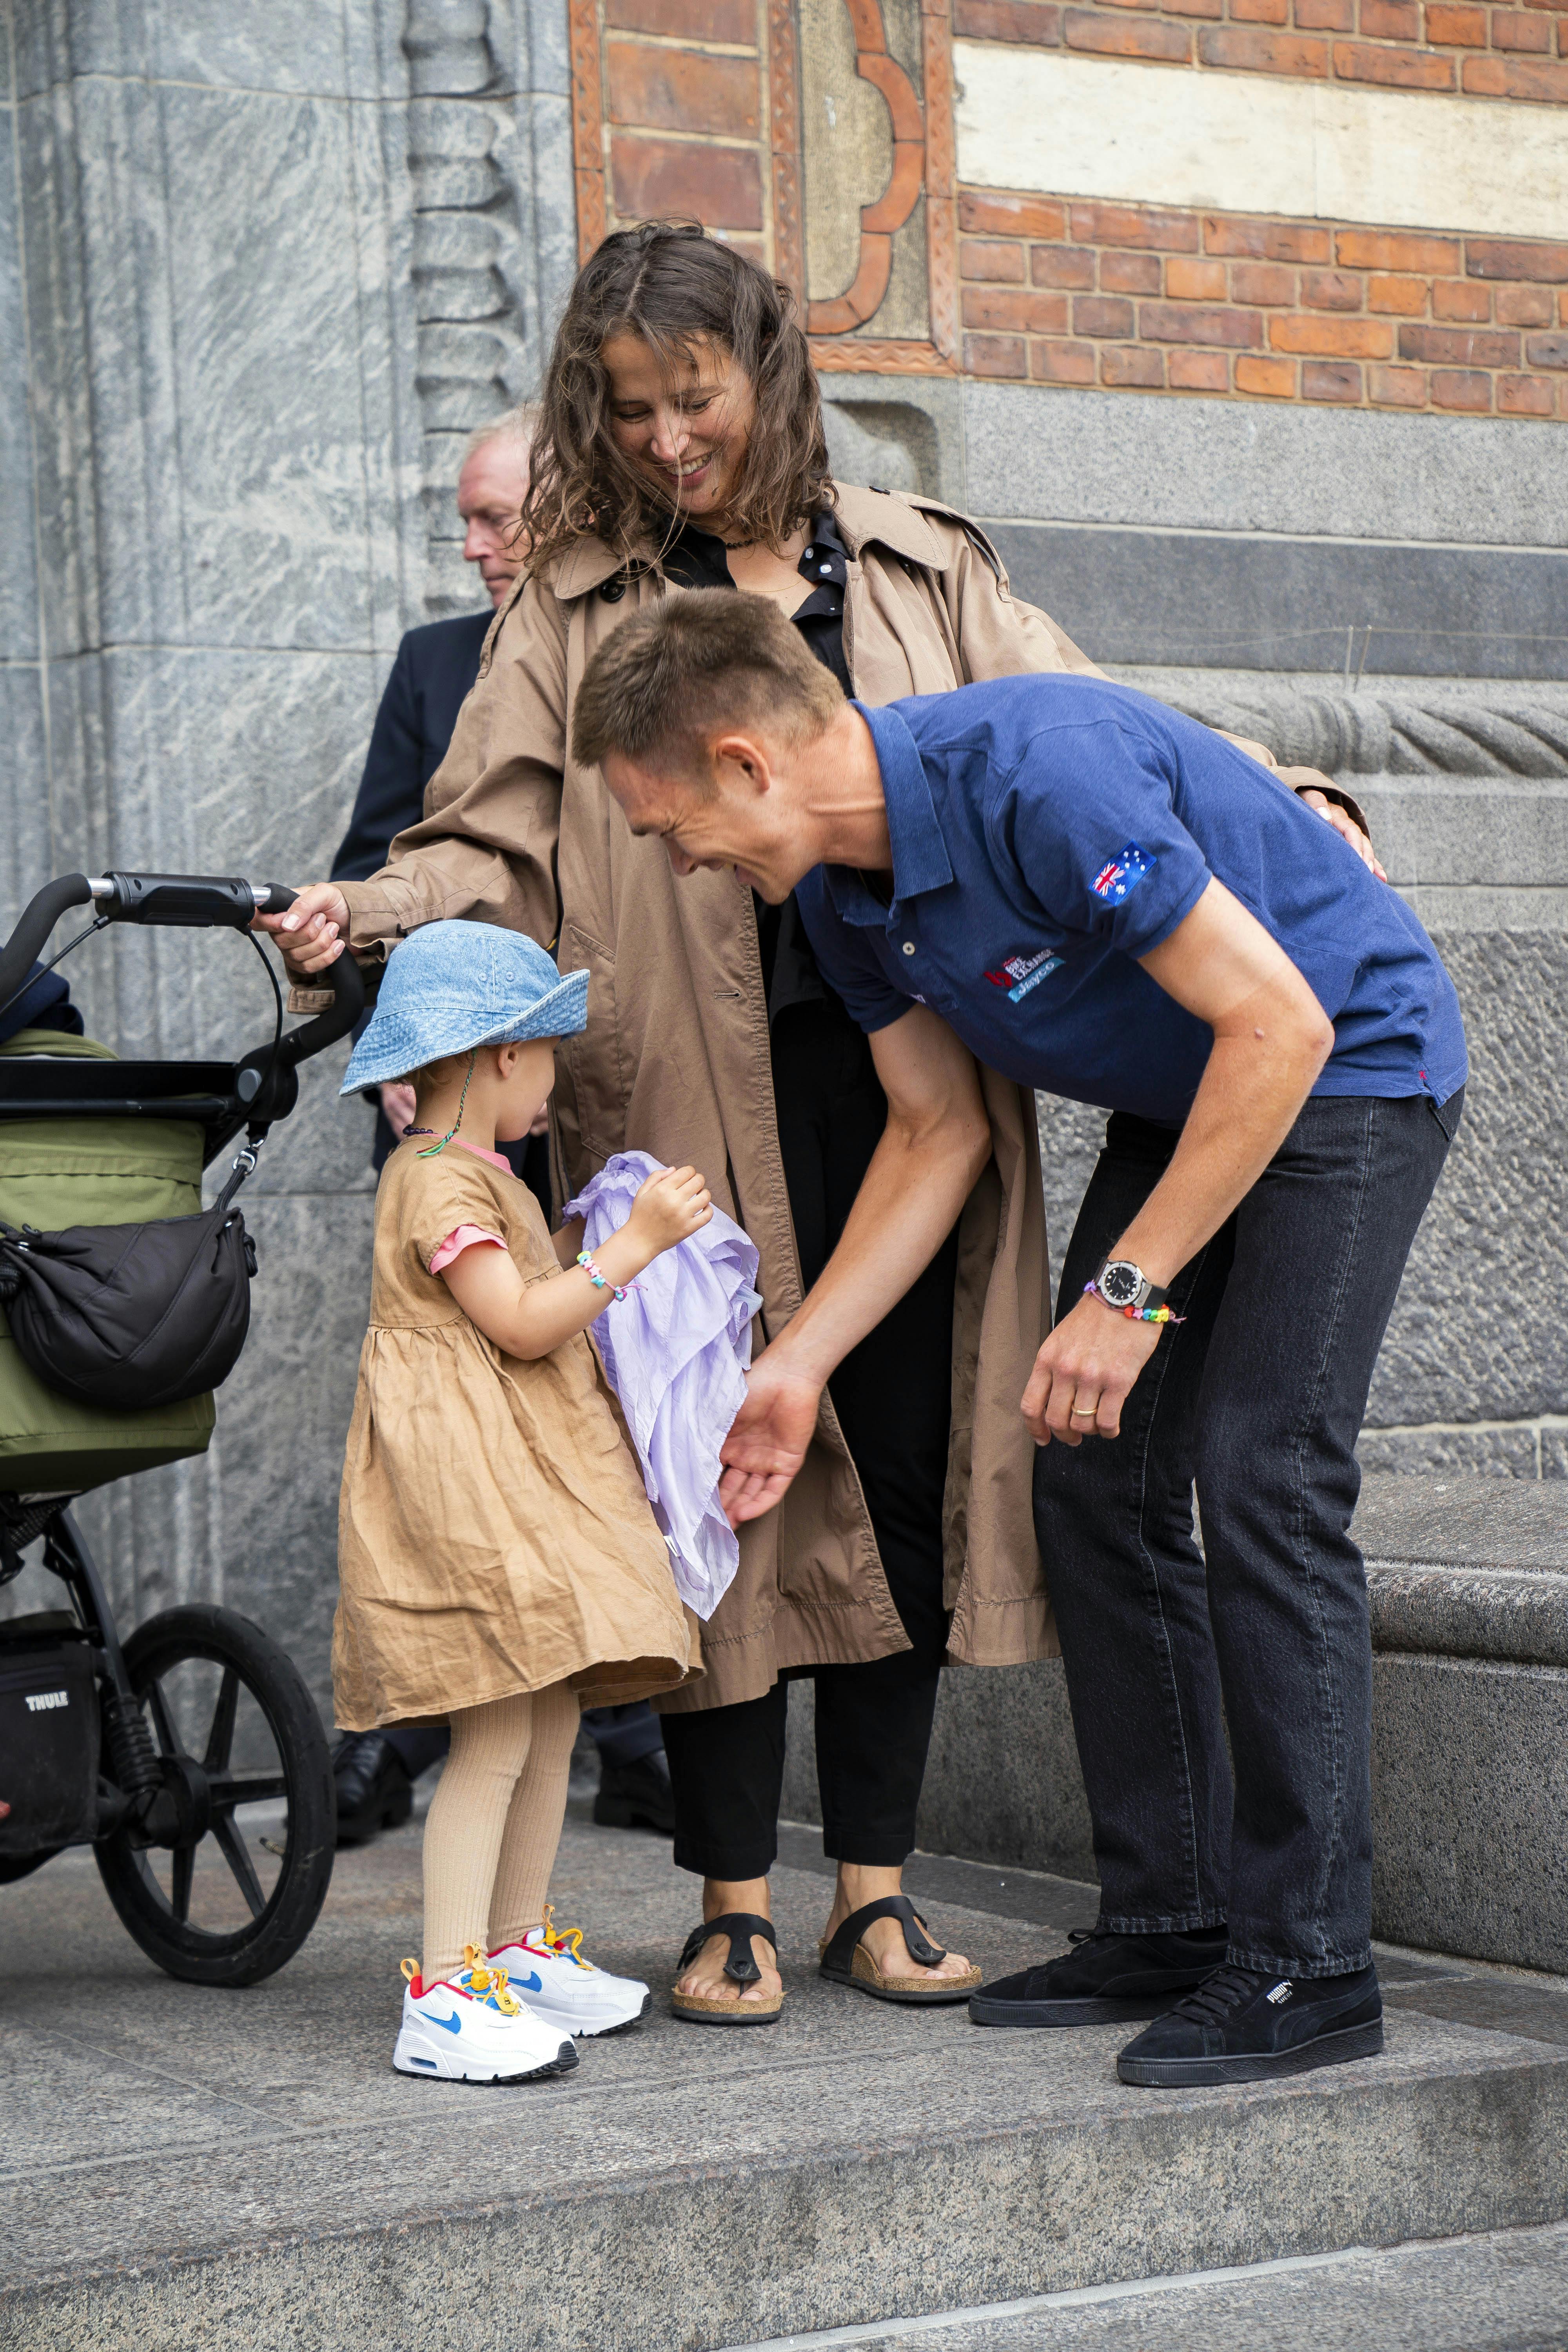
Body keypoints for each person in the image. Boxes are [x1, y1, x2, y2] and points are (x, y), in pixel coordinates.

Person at [261, 221, 1377, 2023]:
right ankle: (727, 1900)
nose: (661, 441)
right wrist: (365, 915)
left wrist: (1300, 789)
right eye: (623, 410)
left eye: (689, 400)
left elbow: (1104, 727)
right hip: (681, 1085)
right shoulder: (569, 592)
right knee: (704, 1467)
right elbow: (480, 832)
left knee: (909, 1446)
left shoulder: (915, 564)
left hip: (916, 1076)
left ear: (766, 377)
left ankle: (874, 1885)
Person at [572, 592, 1464, 2087]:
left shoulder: (1037, 773)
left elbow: (1284, 1030)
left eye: (667, 828)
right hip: (1202, 1098)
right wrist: (793, 1366)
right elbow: (932, 1136)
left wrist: (1127, 1298)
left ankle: (1311, 1960)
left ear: (744, 764)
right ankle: (1173, 1917)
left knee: (1261, 1473)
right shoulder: (847, 901)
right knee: (1092, 1476)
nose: (679, 861)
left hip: (1349, 1066)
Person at [328, 406, 676, 1845]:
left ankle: (639, 1735)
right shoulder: (429, 668)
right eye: (465, 523)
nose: (476, 548)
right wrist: (397, 1049)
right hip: (455, 1104)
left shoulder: (650, 634)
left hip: (595, 1072)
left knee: (598, 1404)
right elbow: (373, 873)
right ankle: (415, 1722)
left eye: (499, 519)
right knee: (443, 1447)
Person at [333, 917, 705, 2080]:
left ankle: (513, 1950)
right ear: (500, 1055)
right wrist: (629, 1249)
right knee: (496, 1727)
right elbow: (519, 1322)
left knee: (549, 1715)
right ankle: (446, 1992)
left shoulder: (474, 1175)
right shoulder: (436, 1180)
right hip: (472, 1495)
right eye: (547, 1053)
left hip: (517, 1477)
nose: (554, 1077)